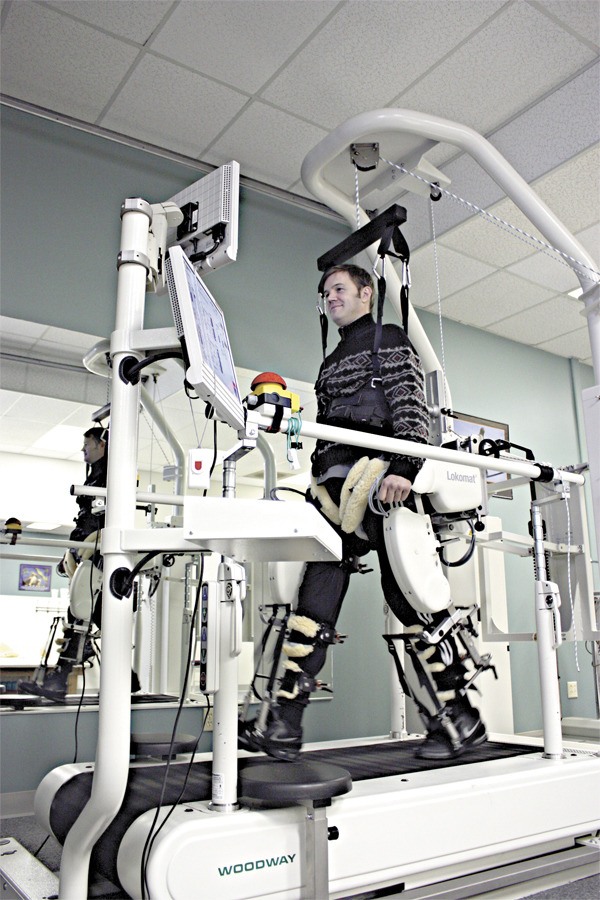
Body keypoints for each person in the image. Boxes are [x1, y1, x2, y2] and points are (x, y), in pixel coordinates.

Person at [240, 264, 487, 761]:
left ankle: (461, 719)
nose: (330, 297)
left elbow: (409, 406)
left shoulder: (388, 339)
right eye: (325, 292)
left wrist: (405, 468)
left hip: (382, 483)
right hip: (335, 492)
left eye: (339, 289)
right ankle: (283, 724)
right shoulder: (330, 362)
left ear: (366, 293)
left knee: (409, 600)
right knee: (314, 600)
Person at [20, 428, 108, 700]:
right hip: (87, 550)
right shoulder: (95, 475)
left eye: (87, 444)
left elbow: (102, 521)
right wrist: (72, 552)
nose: (83, 449)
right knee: (91, 616)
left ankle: (58, 681)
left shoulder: (112, 473)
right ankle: (128, 680)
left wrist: (85, 550)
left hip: (98, 552)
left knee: (79, 614)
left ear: (102, 444)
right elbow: (86, 520)